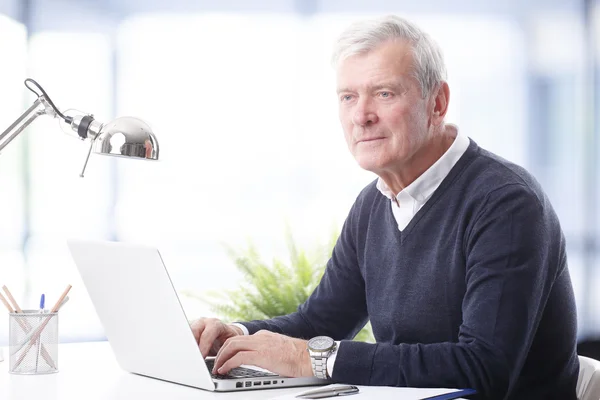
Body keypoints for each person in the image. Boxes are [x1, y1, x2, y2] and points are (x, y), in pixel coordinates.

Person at [191, 15, 579, 399]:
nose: (361, 116)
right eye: (348, 97)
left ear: (438, 103)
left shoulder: (506, 203)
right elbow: (320, 321)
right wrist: (237, 336)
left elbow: (483, 368)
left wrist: (313, 359)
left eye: (384, 93)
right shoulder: (372, 204)